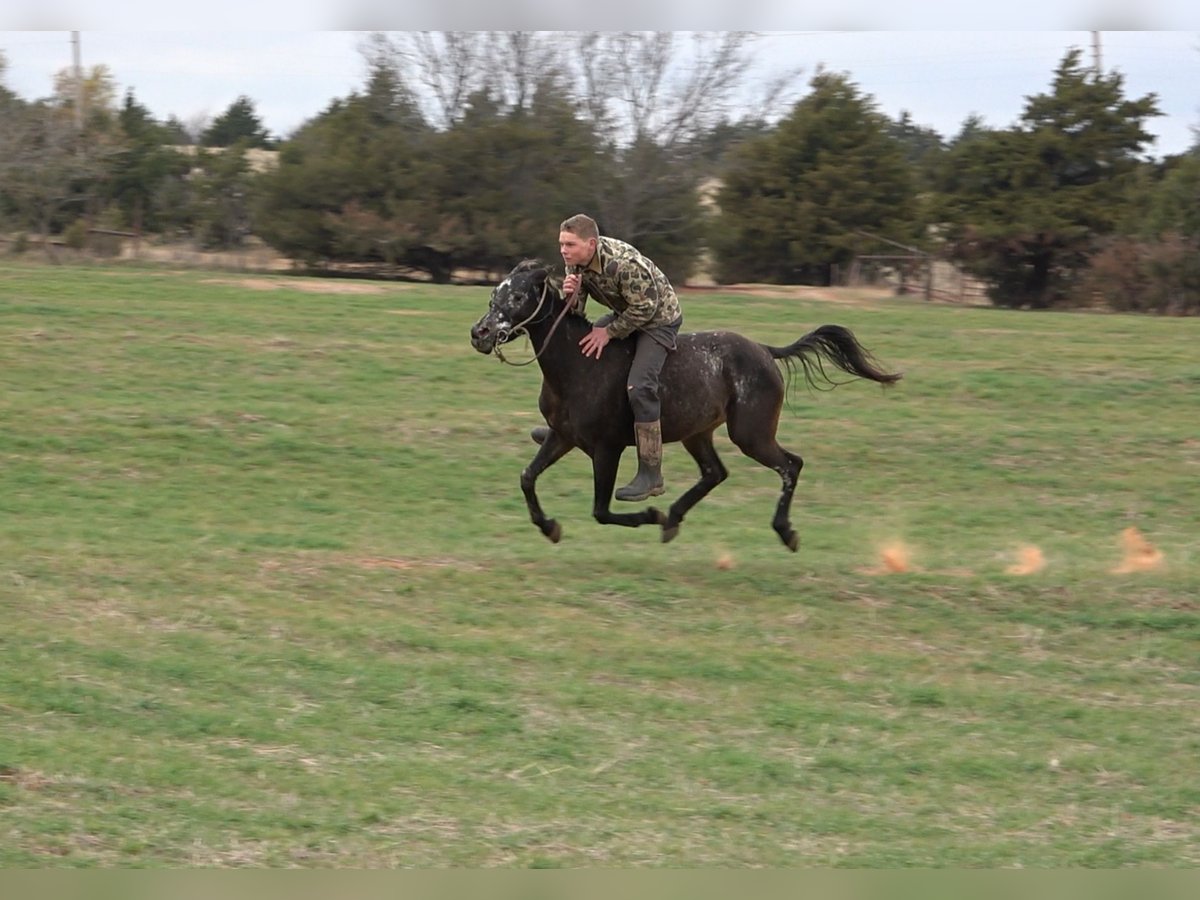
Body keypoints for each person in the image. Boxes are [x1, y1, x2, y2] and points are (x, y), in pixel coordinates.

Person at [532, 213, 684, 502]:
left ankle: (651, 473)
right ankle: (565, 429)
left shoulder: (623, 265)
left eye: (570, 245)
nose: (564, 250)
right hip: (624, 312)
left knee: (640, 387)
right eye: (561, 244)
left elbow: (646, 309)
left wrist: (609, 333)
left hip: (658, 320)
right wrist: (572, 296)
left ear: (590, 244)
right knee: (579, 353)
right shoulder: (574, 262)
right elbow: (576, 311)